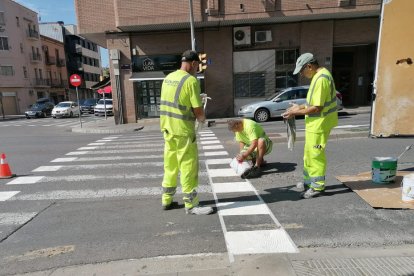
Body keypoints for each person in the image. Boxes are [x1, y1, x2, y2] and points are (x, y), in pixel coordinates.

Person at [159, 50, 213, 215]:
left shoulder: (168, 78)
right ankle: (191, 204)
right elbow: (198, 112)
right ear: (194, 64)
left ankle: (166, 200)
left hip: (168, 129)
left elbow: (176, 102)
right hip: (183, 131)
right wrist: (203, 120)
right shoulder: (191, 81)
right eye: (197, 67)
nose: (197, 71)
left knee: (171, 166)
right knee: (188, 167)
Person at [282, 53, 338, 199]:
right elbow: (312, 103)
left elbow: (317, 108)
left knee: (315, 155)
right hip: (315, 124)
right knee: (308, 154)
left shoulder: (321, 79)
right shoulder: (318, 76)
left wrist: (295, 113)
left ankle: (317, 187)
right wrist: (298, 107)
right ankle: (308, 182)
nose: (301, 74)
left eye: (302, 71)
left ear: (309, 66)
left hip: (320, 123)